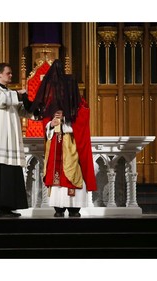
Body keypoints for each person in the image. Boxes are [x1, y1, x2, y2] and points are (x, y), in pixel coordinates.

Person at [29, 59, 97, 217]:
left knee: (71, 173)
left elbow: (83, 119)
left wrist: (67, 117)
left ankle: (74, 207)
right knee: (56, 176)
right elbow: (45, 121)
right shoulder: (52, 103)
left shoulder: (78, 103)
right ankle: (58, 207)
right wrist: (51, 124)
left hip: (71, 144)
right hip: (55, 144)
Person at [0, 62, 32, 218]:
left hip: (10, 140)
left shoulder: (9, 93)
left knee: (10, 173)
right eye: (8, 73)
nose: (11, 75)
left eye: (10, 73)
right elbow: (0, 101)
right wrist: (19, 94)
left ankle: (9, 207)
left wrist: (29, 103)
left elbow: (22, 111)